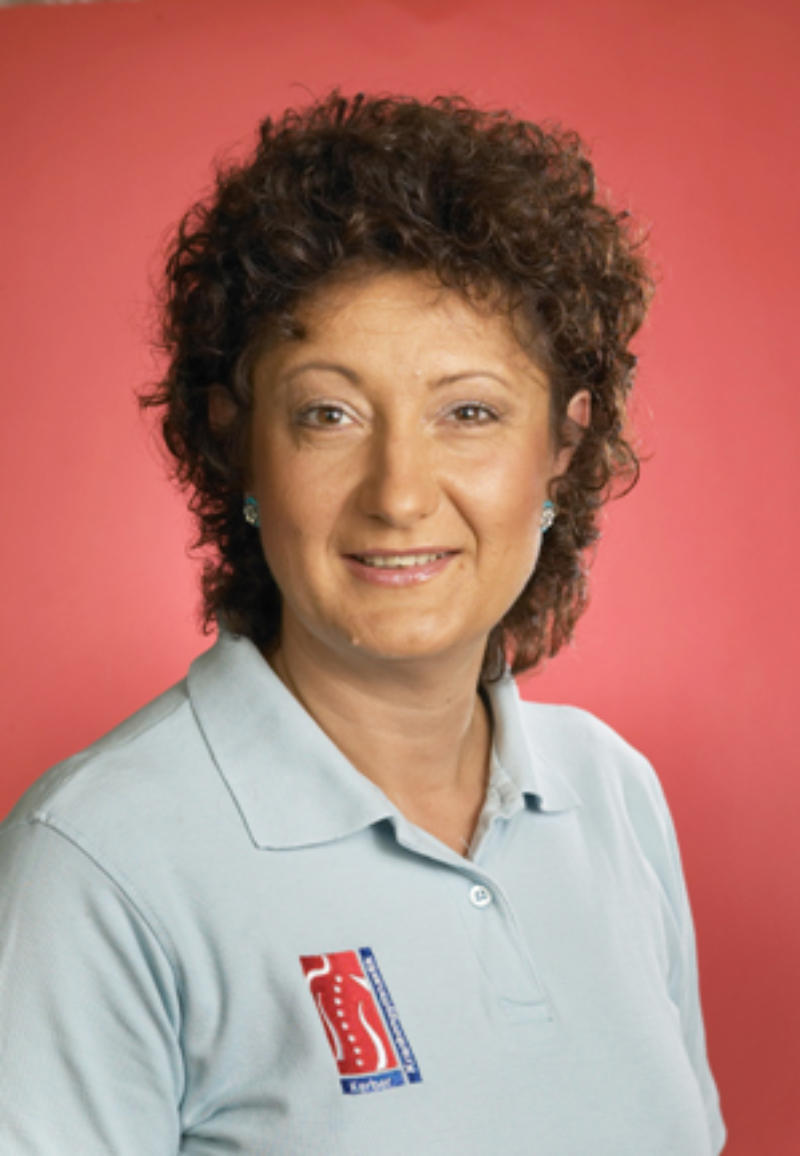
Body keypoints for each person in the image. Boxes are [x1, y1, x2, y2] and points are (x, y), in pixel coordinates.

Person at [0, 93, 725, 1154]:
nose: (399, 494)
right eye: (328, 414)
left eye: (468, 412)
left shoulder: (613, 794)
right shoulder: (96, 860)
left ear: (562, 449)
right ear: (237, 445)